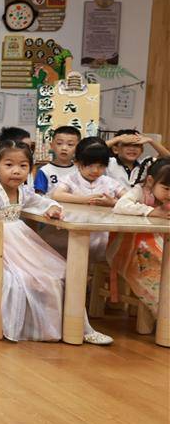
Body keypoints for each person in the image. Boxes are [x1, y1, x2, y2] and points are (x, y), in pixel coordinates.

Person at [0, 140, 112, 345]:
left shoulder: (24, 191)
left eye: (23, 166)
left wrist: (52, 209)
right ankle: (36, 328)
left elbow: (44, 202)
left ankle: (75, 327)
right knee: (23, 280)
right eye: (9, 165)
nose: (16, 171)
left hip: (21, 244)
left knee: (62, 272)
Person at [108, 159, 170, 316]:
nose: (169, 194)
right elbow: (120, 206)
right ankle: (164, 314)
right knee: (154, 273)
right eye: (166, 188)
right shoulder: (140, 191)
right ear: (150, 181)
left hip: (161, 245)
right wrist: (150, 211)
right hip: (128, 249)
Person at [50, 138, 130, 259]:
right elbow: (57, 194)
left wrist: (112, 202)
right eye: (90, 165)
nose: (95, 170)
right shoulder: (70, 179)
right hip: (72, 232)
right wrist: (85, 199)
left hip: (101, 233)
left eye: (101, 166)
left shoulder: (109, 182)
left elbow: (129, 200)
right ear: (77, 163)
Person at [106, 129, 170, 186]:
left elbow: (168, 159)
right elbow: (99, 150)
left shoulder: (146, 164)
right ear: (115, 149)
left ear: (142, 150)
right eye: (126, 145)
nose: (132, 149)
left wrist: (150, 141)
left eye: (136, 145)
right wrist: (117, 139)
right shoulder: (109, 163)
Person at [34, 125, 80, 194]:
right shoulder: (45, 171)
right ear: (51, 146)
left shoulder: (79, 171)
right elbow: (38, 195)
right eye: (59, 143)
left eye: (70, 144)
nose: (64, 148)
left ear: (78, 148)